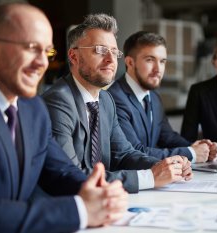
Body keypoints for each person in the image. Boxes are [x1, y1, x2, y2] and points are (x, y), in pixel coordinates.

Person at [0, 3, 128, 233]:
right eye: (30, 47)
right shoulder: (52, 101)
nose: (42, 63)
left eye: (46, 51)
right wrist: (81, 210)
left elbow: (60, 171)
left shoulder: (32, 108)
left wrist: (98, 191)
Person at [42, 14, 192, 194]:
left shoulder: (105, 100)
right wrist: (150, 177)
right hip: (70, 209)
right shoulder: (58, 101)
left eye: (114, 52)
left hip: (107, 202)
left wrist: (166, 166)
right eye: (99, 50)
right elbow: (71, 176)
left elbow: (124, 154)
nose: (110, 60)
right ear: (74, 56)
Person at [108, 31, 217, 163]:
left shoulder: (153, 97)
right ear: (130, 63)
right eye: (150, 60)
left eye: (162, 61)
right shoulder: (114, 99)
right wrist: (191, 153)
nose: (158, 69)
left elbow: (167, 137)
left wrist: (198, 147)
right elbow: (134, 152)